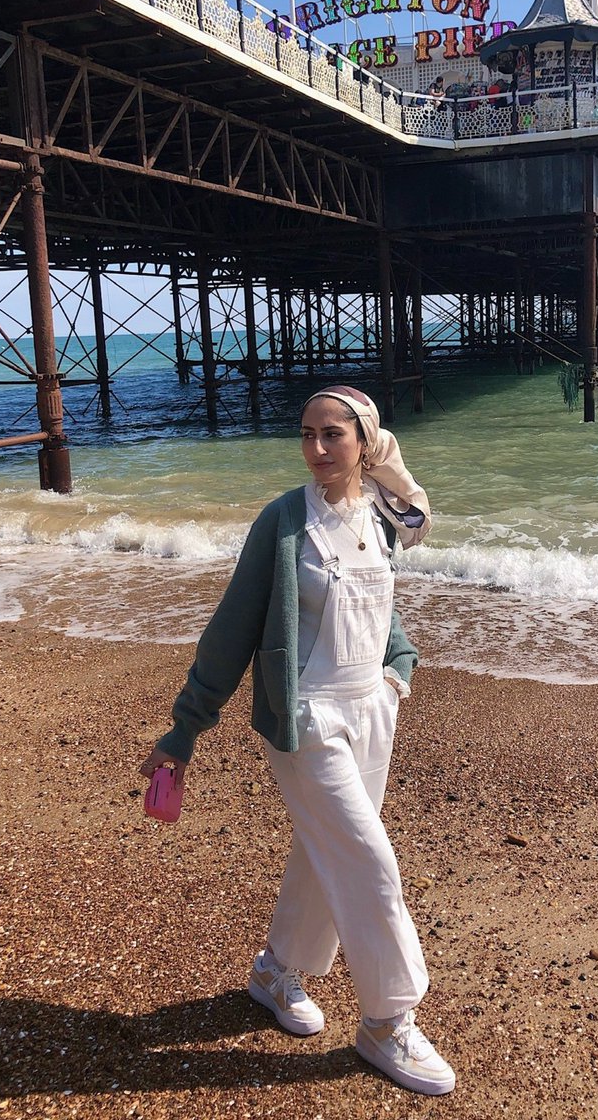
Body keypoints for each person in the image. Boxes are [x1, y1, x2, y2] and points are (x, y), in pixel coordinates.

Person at [139, 386, 455, 1097]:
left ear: (364, 442)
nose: (316, 449)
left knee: (326, 852)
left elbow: (391, 580)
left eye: (333, 435)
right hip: (305, 720)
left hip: (372, 710)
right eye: (307, 434)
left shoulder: (380, 514)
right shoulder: (284, 521)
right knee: (369, 861)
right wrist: (185, 728)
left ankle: (275, 969)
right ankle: (388, 1021)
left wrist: (400, 669)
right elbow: (232, 631)